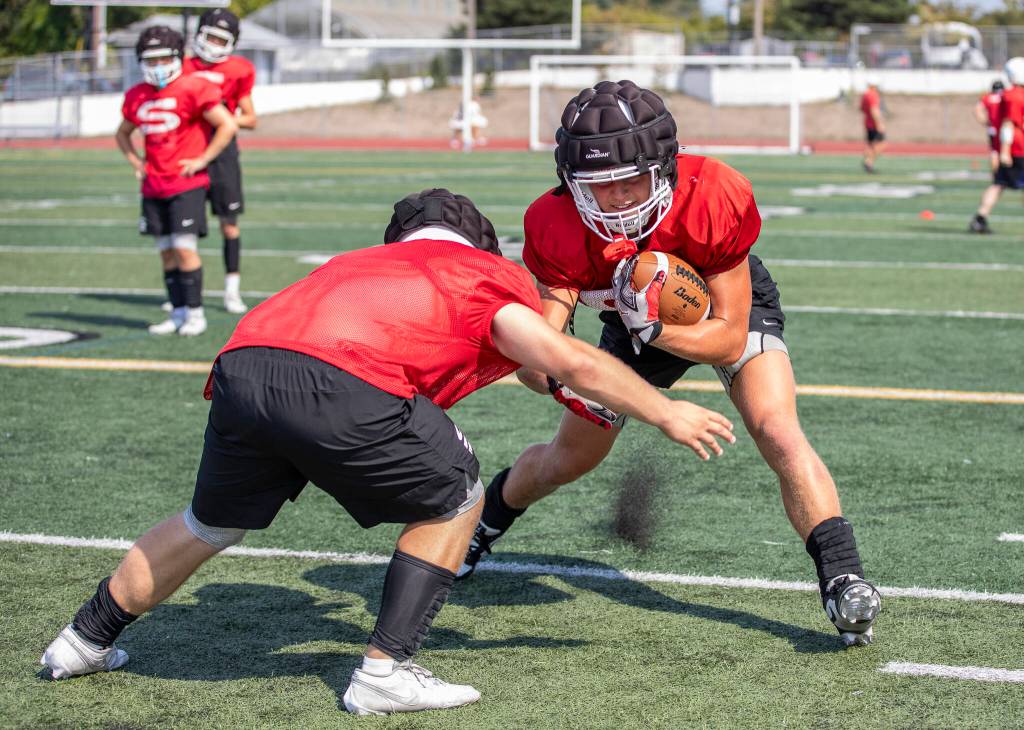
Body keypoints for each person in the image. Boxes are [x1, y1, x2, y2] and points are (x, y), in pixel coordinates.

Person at [39, 189, 735, 715]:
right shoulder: (477, 273)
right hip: (341, 377)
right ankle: (383, 673)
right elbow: (557, 355)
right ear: (479, 243)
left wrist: (568, 390)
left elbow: (534, 367)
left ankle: (82, 640)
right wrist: (664, 407)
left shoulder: (358, 263)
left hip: (245, 365)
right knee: (459, 491)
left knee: (208, 523)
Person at [457, 80, 882, 648]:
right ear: (570, 183)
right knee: (567, 460)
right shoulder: (554, 222)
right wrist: (556, 377)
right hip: (631, 330)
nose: (618, 199)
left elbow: (730, 337)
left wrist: (656, 328)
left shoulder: (713, 193)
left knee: (778, 429)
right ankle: (484, 523)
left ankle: (843, 578)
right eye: (599, 185)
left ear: (665, 167)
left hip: (719, 304)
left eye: (632, 179)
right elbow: (537, 347)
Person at [117, 26, 238, 337]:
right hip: (153, 185)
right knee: (166, 251)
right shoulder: (137, 95)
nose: (157, 67)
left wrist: (202, 160)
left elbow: (226, 125)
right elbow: (122, 133)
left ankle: (196, 314)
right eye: (150, 60)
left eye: (163, 59)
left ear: (177, 58)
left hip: (186, 185)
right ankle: (178, 311)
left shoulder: (193, 87)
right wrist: (135, 161)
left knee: (185, 249)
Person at [183, 8, 257, 314]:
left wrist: (222, 119)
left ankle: (231, 290)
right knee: (186, 227)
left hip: (223, 151)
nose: (213, 43)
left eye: (220, 38)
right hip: (187, 150)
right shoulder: (183, 67)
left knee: (229, 224)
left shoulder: (239, 70)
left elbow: (251, 118)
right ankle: (186, 292)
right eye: (210, 36)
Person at [971, 63, 1024, 235]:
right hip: (1018, 148)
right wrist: (1005, 150)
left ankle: (980, 218)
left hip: (1013, 147)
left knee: (998, 184)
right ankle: (979, 219)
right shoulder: (1016, 96)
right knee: (998, 184)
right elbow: (1009, 124)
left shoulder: (1010, 95)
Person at [860, 80, 885, 173]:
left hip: (867, 122)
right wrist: (879, 123)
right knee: (881, 144)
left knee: (871, 145)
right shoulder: (873, 95)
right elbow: (874, 110)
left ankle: (868, 161)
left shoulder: (865, 95)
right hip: (873, 124)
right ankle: (868, 162)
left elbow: (862, 109)